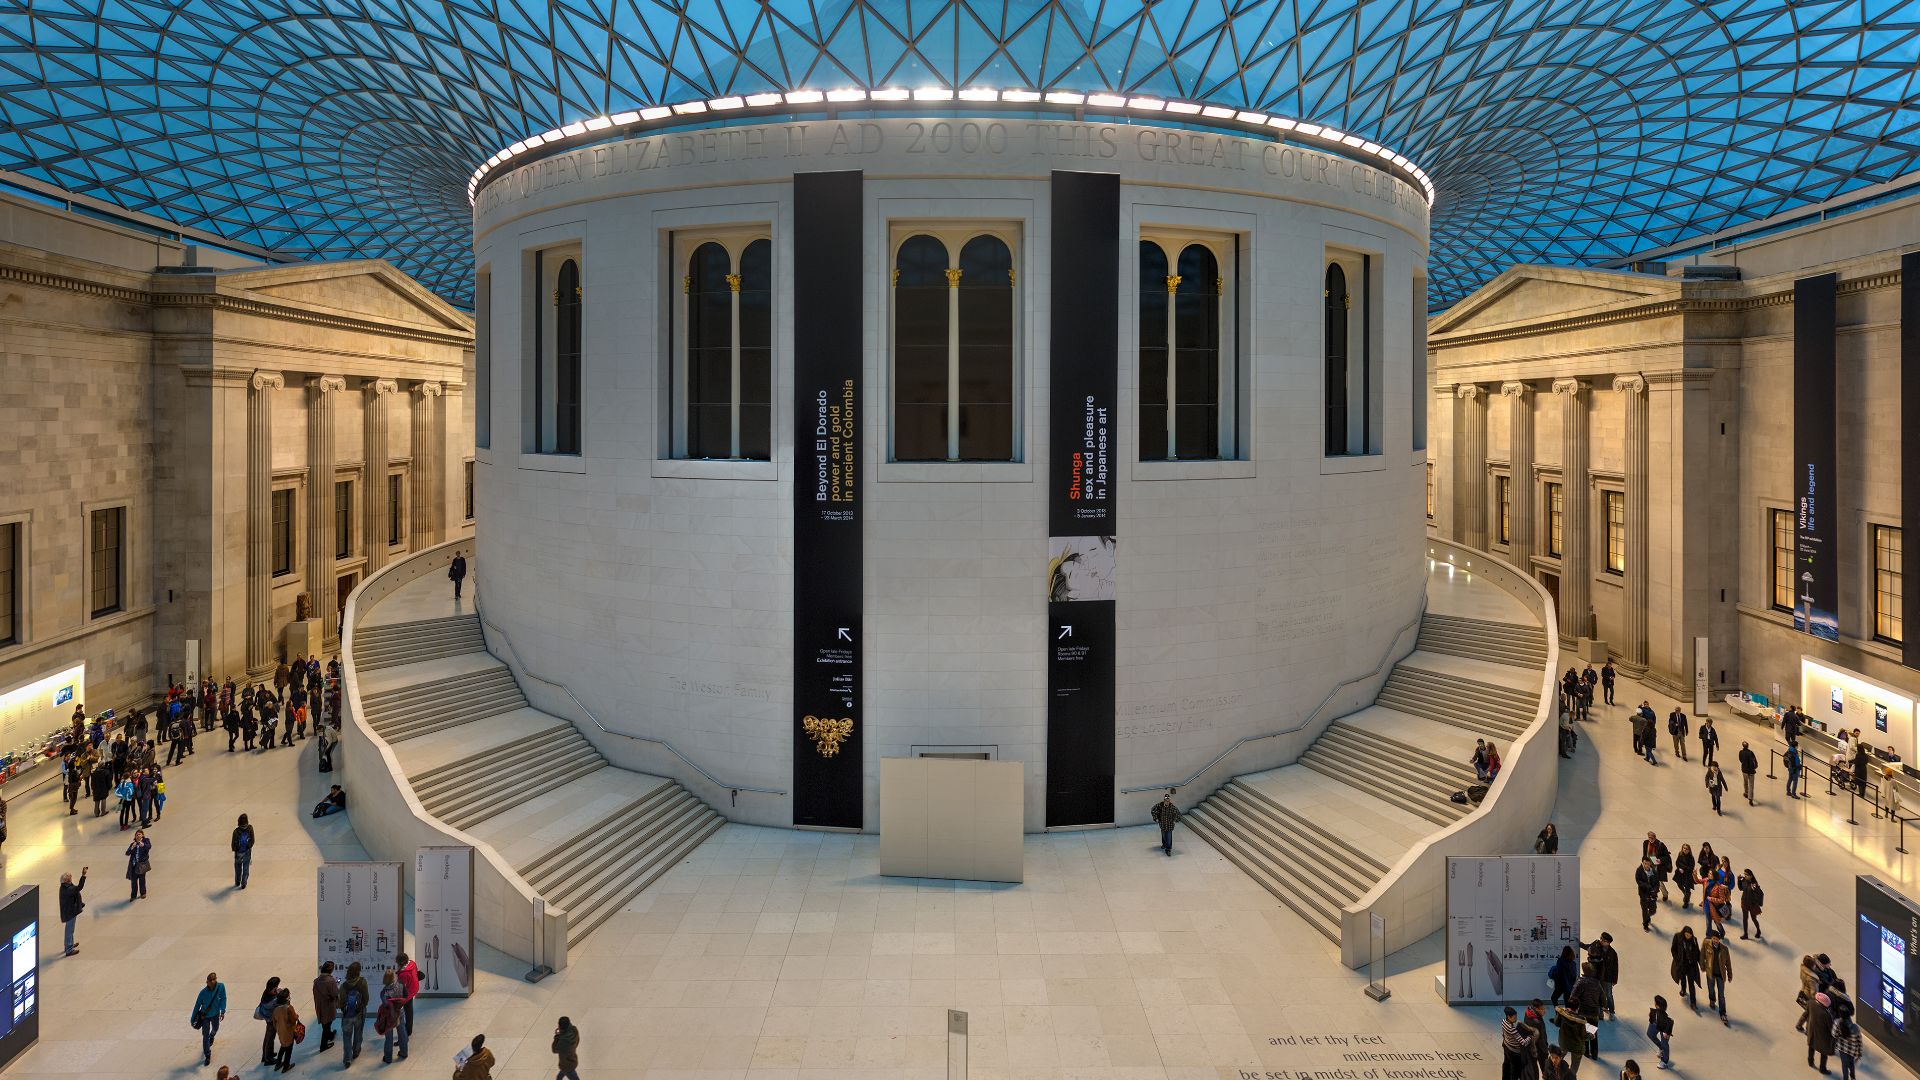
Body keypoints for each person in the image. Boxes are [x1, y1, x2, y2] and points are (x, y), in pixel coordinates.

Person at [193, 972, 228, 1066]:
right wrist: (192, 1019)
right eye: (210, 981)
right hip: (205, 1017)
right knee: (205, 1035)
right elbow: (197, 1006)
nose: (212, 982)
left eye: (214, 979)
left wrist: (223, 1010)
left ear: (216, 979)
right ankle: (207, 1055)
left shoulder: (221, 986)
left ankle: (212, 1035)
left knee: (215, 1028)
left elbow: (223, 998)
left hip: (216, 1014)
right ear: (207, 982)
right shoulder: (203, 993)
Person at [338, 960, 369, 1066]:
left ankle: (347, 1059)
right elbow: (366, 998)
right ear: (358, 972)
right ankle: (356, 1051)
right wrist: (362, 1006)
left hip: (347, 1015)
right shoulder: (362, 982)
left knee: (346, 1037)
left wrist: (344, 1009)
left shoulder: (343, 986)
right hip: (359, 1013)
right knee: (358, 1032)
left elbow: (341, 1002)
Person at [376, 970, 408, 1063]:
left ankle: (388, 1057)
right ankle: (404, 1052)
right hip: (400, 1012)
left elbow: (385, 1005)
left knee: (389, 1037)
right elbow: (406, 996)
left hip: (389, 1016)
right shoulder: (401, 986)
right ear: (394, 977)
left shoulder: (383, 992)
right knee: (402, 1032)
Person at [1700, 928, 1731, 1024]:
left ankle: (1723, 1013)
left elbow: (1728, 963)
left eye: (1717, 939)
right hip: (1711, 973)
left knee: (1721, 995)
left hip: (1720, 975)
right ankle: (1712, 1000)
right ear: (1712, 938)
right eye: (1714, 938)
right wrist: (1702, 966)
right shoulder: (1706, 944)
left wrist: (1729, 974)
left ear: (1719, 940)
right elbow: (1702, 956)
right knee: (1711, 989)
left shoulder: (1724, 949)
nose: (1715, 940)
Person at [1668, 927, 1700, 1010]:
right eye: (1686, 935)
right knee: (1682, 978)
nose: (1688, 937)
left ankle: (1693, 1002)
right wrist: (1677, 959)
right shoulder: (1678, 937)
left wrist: (1696, 961)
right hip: (1682, 963)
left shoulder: (1694, 940)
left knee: (1691, 984)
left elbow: (1697, 951)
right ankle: (1683, 989)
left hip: (1691, 965)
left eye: (1689, 935)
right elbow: (1673, 949)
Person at [312, 960, 340, 1053]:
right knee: (327, 1025)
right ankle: (323, 1045)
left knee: (326, 1024)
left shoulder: (316, 981)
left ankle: (330, 1035)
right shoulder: (330, 981)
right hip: (328, 1006)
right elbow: (335, 993)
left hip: (320, 1006)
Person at [270, 987, 300, 1072]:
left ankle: (278, 1063)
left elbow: (274, 1022)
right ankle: (286, 1066)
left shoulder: (276, 1009)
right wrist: (297, 1016)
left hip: (280, 1031)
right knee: (289, 1049)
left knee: (283, 1046)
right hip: (289, 1031)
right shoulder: (289, 1008)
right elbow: (294, 1019)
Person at [58, 867, 86, 955]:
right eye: (70, 877)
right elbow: (79, 887)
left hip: (69, 911)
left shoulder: (65, 886)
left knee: (70, 930)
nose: (71, 878)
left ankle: (69, 944)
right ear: (66, 880)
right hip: (70, 913)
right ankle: (69, 949)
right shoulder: (68, 889)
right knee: (69, 930)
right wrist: (83, 875)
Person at [1501, 1006, 1533, 1080]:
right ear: (1509, 1017)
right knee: (1514, 1070)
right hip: (1514, 1052)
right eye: (1514, 1017)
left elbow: (1503, 1034)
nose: (1516, 1018)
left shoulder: (1503, 1022)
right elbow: (1523, 1043)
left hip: (1506, 1046)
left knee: (1506, 1064)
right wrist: (1530, 1037)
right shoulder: (1512, 1030)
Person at [257, 977, 283, 1066]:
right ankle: (268, 1059)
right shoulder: (271, 1001)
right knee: (270, 1038)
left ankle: (267, 1055)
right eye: (276, 987)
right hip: (271, 1020)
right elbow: (279, 1003)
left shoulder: (267, 993)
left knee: (268, 1037)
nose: (277, 988)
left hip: (268, 1018)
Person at [1834, 1003, 1864, 1080]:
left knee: (1844, 1065)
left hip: (1842, 1048)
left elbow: (1834, 1034)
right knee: (1851, 1063)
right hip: (1852, 1050)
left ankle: (1845, 1078)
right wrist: (1859, 1053)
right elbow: (1859, 1042)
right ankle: (1853, 1077)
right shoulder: (1855, 1027)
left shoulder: (1837, 1023)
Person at [1809, 990, 1835, 1073]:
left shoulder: (1811, 1003)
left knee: (1811, 1045)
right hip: (1823, 1035)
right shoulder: (1826, 1014)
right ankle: (1822, 1068)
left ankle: (1810, 1061)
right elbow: (1831, 1027)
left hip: (1812, 1029)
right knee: (1824, 1052)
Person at [396, 950, 420, 1035]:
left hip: (408, 993)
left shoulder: (403, 974)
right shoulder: (412, 964)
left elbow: (402, 988)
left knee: (407, 1012)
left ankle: (407, 1031)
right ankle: (409, 1029)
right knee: (409, 1010)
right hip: (414, 988)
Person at [1647, 995, 1673, 1070]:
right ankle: (1660, 1048)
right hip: (1656, 1024)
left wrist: (1667, 1033)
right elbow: (1652, 1017)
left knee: (1665, 1044)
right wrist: (1651, 1019)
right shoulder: (1654, 1012)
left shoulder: (1664, 1017)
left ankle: (1664, 1061)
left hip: (1664, 1029)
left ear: (1657, 1005)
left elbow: (1670, 1022)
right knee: (1650, 1034)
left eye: (1655, 1003)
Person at [1737, 869, 1765, 941]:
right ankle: (1745, 934)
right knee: (1744, 918)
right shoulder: (1744, 881)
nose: (1745, 875)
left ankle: (1758, 930)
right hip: (1744, 903)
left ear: (1751, 876)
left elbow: (1759, 894)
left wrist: (1755, 889)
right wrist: (1739, 880)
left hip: (1752, 905)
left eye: (1747, 875)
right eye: (1744, 874)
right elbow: (1740, 888)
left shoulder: (1754, 884)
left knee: (1753, 919)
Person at [125, 828, 151, 901]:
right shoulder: (133, 844)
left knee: (142, 880)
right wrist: (132, 847)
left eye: (139, 834)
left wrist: (142, 844)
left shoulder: (146, 841)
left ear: (142, 835)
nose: (138, 835)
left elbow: (148, 847)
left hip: (141, 865)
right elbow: (127, 853)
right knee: (133, 882)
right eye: (136, 835)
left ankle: (143, 893)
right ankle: (133, 895)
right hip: (134, 866)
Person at [231, 813, 256, 889]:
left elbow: (233, 843)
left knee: (238, 868)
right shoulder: (250, 828)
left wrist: (236, 850)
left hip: (238, 853)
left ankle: (237, 881)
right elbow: (252, 840)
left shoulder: (236, 831)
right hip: (247, 852)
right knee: (246, 868)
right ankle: (244, 883)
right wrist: (248, 846)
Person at [1635, 858, 1660, 932]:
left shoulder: (1653, 871)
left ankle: (1647, 917)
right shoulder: (1639, 871)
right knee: (1645, 910)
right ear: (1643, 863)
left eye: (1648, 864)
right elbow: (1638, 881)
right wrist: (1647, 886)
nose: (1647, 865)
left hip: (1652, 894)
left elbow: (1657, 882)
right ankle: (1645, 924)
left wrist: (1655, 890)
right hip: (1644, 895)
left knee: (1653, 910)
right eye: (1645, 863)